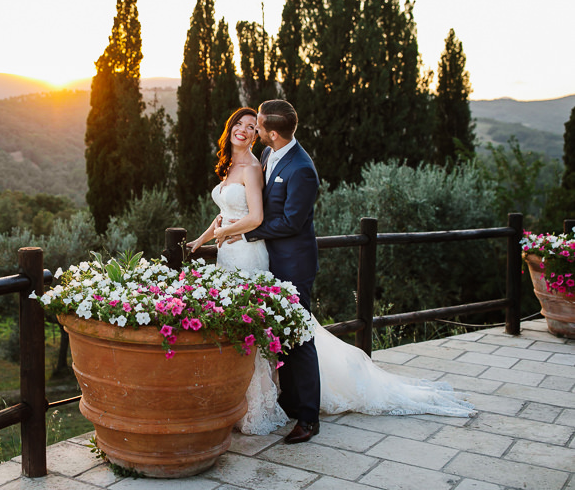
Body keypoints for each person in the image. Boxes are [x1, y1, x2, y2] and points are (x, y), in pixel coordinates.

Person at [188, 101, 474, 440]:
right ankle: (287, 401)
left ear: (272, 133)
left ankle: (308, 418)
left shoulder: (302, 168)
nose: (254, 132)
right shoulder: (266, 157)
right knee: (276, 336)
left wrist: (242, 232)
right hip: (262, 258)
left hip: (293, 264)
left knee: (301, 336)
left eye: (259, 127)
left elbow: (292, 222)